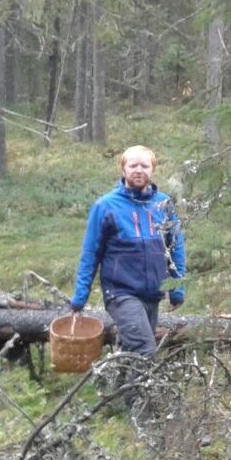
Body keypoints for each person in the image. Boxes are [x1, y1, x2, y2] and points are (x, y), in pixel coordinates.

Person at [70, 145, 185, 363]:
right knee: (145, 350)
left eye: (145, 165)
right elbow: (90, 253)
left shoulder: (164, 204)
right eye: (133, 165)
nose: (139, 170)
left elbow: (175, 247)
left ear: (153, 169)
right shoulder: (105, 206)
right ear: (123, 169)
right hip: (121, 293)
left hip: (152, 293)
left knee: (133, 357)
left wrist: (176, 288)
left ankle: (123, 394)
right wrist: (80, 297)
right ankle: (146, 398)